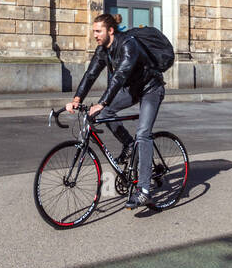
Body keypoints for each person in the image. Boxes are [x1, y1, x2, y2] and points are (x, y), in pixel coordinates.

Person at [67, 13, 166, 209]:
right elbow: (91, 74)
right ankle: (129, 145)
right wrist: (77, 99)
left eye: (98, 31)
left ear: (110, 31)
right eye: (93, 31)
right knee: (103, 115)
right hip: (132, 89)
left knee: (143, 134)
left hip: (150, 89)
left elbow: (119, 76)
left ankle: (144, 190)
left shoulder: (128, 44)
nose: (94, 34)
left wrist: (102, 102)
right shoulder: (103, 50)